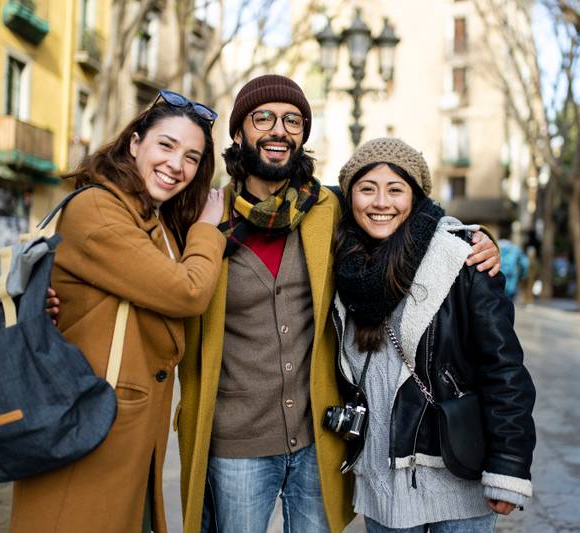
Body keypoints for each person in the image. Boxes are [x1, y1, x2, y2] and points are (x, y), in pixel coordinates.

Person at [176, 75, 503, 532]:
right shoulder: (205, 218)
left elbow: (402, 215)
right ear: (238, 133)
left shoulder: (327, 211)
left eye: (292, 120)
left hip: (318, 439)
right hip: (235, 442)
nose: (278, 129)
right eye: (263, 117)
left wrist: (470, 239)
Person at [11, 90, 226, 533]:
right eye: (165, 145)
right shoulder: (97, 208)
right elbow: (186, 291)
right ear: (134, 143)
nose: (176, 165)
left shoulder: (156, 219)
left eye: (191, 157)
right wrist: (208, 230)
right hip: (90, 424)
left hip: (123, 430)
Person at [329, 138, 536, 532]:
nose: (380, 202)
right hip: (383, 481)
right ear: (349, 196)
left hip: (457, 474)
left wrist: (509, 466)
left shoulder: (460, 257)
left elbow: (504, 366)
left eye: (395, 189)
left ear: (416, 196)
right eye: (366, 188)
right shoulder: (341, 263)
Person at [498, 228, 529, 300]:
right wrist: (522, 276)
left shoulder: (493, 246)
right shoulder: (515, 248)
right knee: (508, 304)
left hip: (495, 277)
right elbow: (525, 263)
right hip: (511, 279)